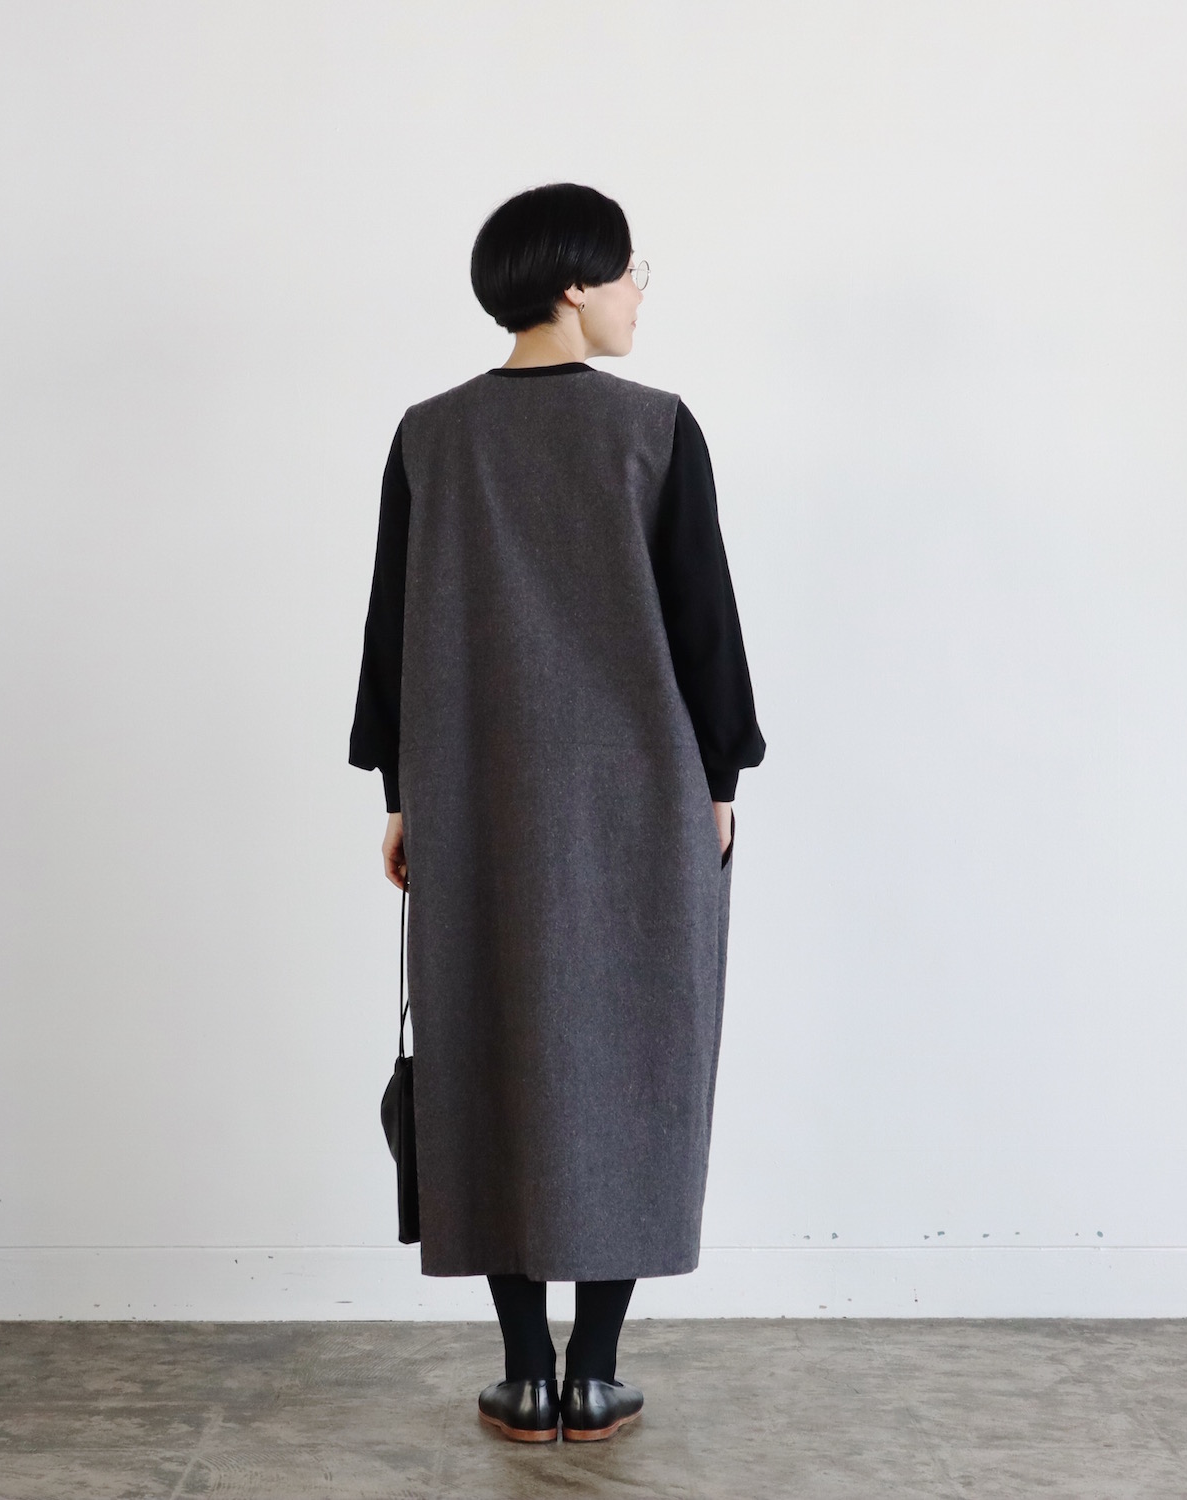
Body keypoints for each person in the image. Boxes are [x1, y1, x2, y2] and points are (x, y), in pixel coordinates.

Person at [348, 182, 766, 1444]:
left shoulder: (430, 436)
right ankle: (596, 1370)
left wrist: (402, 795)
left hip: (473, 797)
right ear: (576, 284)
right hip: (644, 798)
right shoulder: (655, 429)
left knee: (488, 1050)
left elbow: (391, 633)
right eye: (631, 270)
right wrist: (721, 780)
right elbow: (704, 624)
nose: (640, 292)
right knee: (635, 1056)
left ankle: (525, 1372)